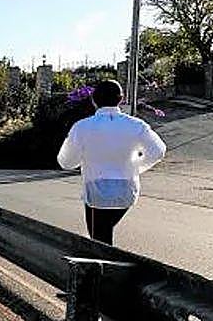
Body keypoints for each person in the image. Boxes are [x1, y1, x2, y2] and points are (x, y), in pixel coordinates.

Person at [56, 79, 166, 246]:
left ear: (93, 100)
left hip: (97, 194)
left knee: (99, 241)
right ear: (121, 99)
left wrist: (85, 157)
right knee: (103, 236)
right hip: (126, 192)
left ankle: (108, 268)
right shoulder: (137, 125)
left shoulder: (82, 127)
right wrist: (136, 166)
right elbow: (159, 151)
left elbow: (66, 162)